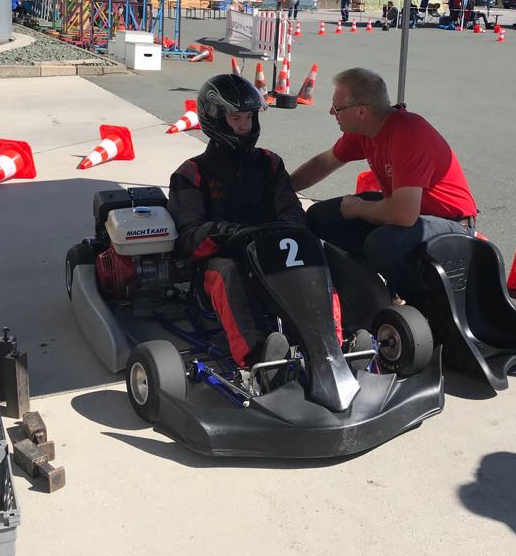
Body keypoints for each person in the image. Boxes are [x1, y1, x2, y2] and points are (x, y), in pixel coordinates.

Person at [290, 68, 478, 308]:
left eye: (337, 108)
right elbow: (324, 162)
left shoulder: (407, 133)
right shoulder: (365, 131)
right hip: (413, 212)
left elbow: (403, 214)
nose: (331, 112)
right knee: (319, 217)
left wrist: (358, 208)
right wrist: (283, 188)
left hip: (453, 224)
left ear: (360, 111)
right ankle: (370, 290)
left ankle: (426, 307)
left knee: (383, 242)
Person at [168, 74, 309, 368]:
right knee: (228, 271)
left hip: (272, 253)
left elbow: (290, 209)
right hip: (219, 263)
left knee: (314, 252)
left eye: (248, 117)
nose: (245, 126)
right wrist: (229, 233)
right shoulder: (191, 173)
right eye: (236, 118)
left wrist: (290, 228)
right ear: (216, 120)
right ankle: (258, 360)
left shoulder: (270, 163)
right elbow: (188, 238)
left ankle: (330, 342)